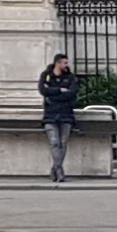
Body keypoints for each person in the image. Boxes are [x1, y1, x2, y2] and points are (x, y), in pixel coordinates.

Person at [38, 54, 80, 183]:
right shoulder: (46, 75)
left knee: (63, 142)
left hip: (66, 115)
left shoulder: (70, 77)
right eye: (65, 63)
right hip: (50, 115)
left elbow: (72, 93)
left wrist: (54, 95)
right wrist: (60, 90)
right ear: (58, 63)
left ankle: (56, 168)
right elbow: (43, 91)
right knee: (55, 142)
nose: (67, 65)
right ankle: (59, 169)